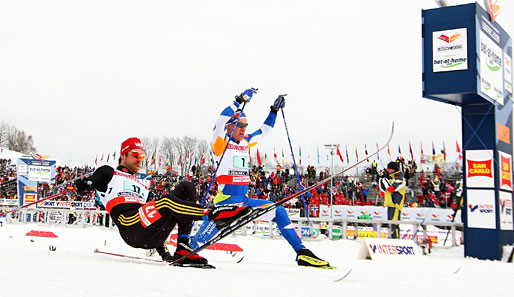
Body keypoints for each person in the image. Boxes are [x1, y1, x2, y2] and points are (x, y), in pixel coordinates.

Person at [192, 88, 331, 268]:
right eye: (239, 126)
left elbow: (264, 131)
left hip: (242, 202)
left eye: (245, 126)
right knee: (196, 244)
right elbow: (219, 123)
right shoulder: (220, 143)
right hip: (224, 204)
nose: (243, 129)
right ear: (230, 126)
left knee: (279, 211)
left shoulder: (246, 141)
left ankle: (302, 253)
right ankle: (173, 248)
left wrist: (273, 111)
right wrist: (237, 100)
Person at [75, 137, 252, 267]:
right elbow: (92, 181)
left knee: (187, 187)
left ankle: (183, 247)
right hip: (129, 226)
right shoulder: (110, 173)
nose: (139, 159)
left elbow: (152, 214)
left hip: (149, 234)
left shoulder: (142, 184)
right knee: (166, 202)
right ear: (123, 156)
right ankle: (214, 213)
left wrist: (164, 253)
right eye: (135, 155)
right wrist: (86, 184)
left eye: (142, 156)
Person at [379, 161, 406, 239]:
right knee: (390, 224)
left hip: (396, 205)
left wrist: (384, 179)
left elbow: (391, 189)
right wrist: (381, 178)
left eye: (389, 169)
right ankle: (391, 240)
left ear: (393, 169)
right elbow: (384, 189)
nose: (387, 170)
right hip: (390, 204)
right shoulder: (392, 179)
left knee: (394, 225)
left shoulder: (400, 179)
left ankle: (396, 241)